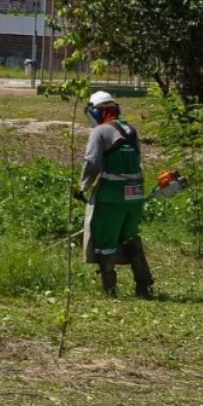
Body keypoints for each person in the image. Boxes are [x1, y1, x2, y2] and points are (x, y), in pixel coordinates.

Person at [80, 90, 155, 298]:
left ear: (97, 112)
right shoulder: (130, 129)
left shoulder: (100, 132)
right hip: (135, 195)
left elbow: (92, 162)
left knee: (104, 240)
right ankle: (143, 286)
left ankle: (110, 290)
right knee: (130, 238)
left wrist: (82, 187)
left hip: (111, 195)